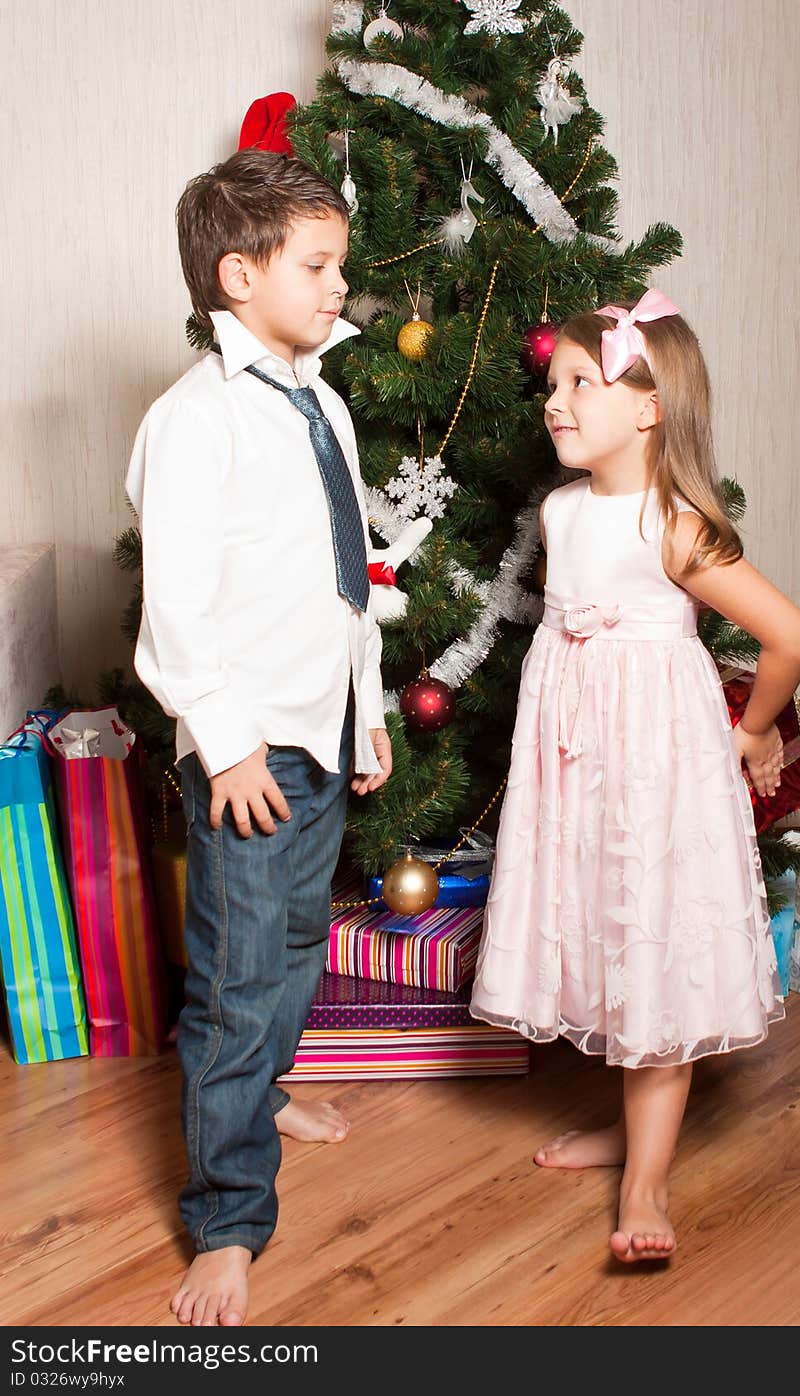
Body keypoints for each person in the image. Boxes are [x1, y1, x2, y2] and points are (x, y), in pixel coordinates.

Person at [470, 290, 800, 1263]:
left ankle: (647, 1180)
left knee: (649, 938)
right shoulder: (561, 510)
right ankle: (631, 1127)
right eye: (552, 383)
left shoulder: (675, 526)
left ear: (649, 405)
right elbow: (569, 635)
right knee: (594, 927)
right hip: (577, 764)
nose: (555, 400)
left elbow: (789, 636)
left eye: (581, 381)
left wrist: (749, 733)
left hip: (656, 768)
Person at [125, 149, 392, 1325]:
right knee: (236, 976)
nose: (342, 286)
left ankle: (265, 1086)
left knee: (292, 936)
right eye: (319, 266)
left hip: (319, 721)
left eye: (341, 264)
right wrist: (224, 744)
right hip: (248, 741)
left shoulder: (321, 400)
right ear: (240, 274)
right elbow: (175, 607)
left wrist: (365, 709)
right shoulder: (194, 421)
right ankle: (229, 1216)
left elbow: (348, 582)